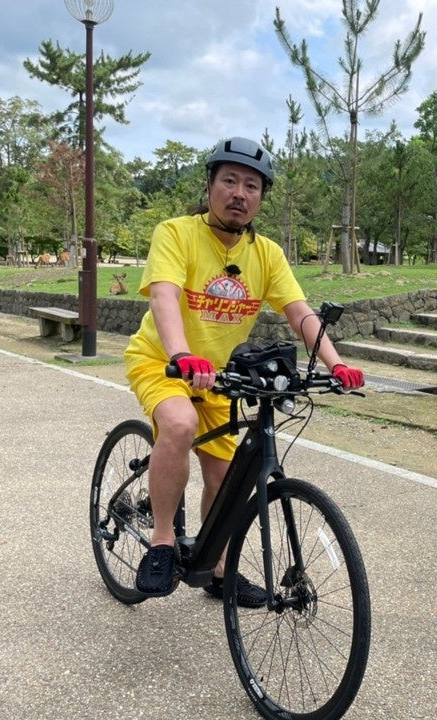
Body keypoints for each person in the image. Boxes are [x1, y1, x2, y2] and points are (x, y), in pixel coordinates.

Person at [125, 136, 365, 604]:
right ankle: (161, 541)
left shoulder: (267, 253)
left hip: (219, 377)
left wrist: (336, 364)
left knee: (226, 479)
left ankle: (218, 570)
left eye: (251, 186)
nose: (239, 193)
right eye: (230, 181)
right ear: (210, 185)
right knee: (180, 423)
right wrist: (180, 354)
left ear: (261, 197)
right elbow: (164, 295)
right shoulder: (176, 233)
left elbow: (299, 312)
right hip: (162, 361)